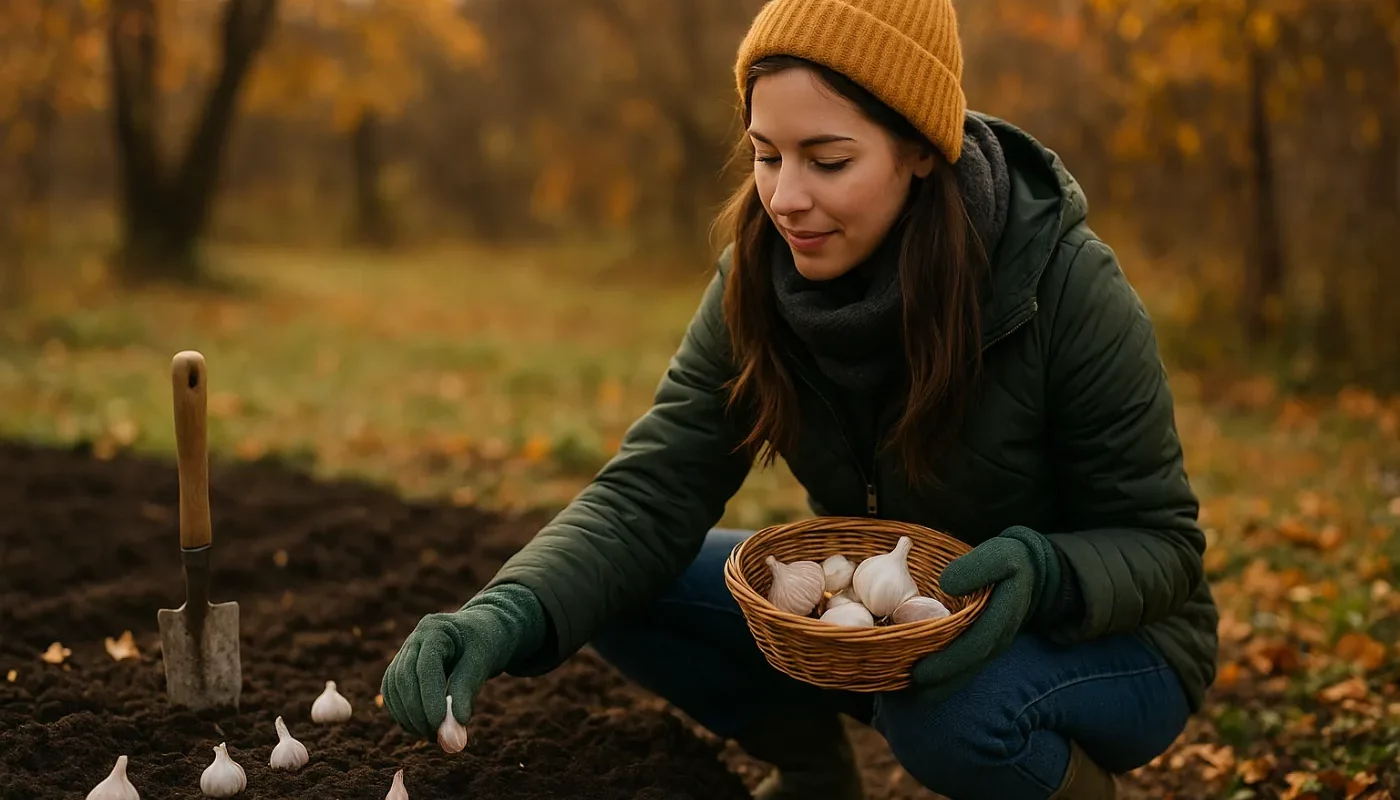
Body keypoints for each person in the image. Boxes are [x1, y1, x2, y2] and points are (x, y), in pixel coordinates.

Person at [379, 0, 1220, 797]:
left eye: (828, 160)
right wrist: (503, 615)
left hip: (1108, 640)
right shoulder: (759, 277)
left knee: (945, 715)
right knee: (623, 585)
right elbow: (653, 491)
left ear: (921, 148)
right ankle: (817, 776)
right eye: (766, 153)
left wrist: (1041, 572)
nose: (784, 198)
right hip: (884, 629)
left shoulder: (1062, 286)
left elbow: (1162, 545)